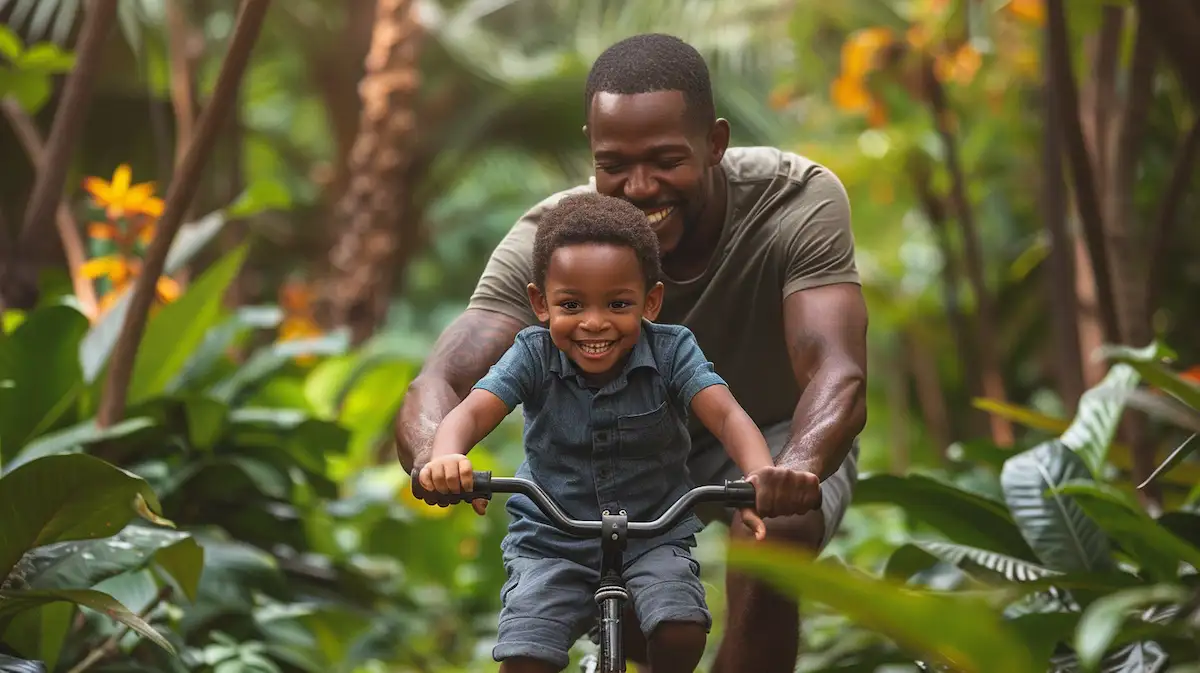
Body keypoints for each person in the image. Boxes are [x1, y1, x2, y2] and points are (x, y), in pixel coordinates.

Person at [396, 33, 868, 673]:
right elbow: (443, 379)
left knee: (777, 538)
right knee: (644, 624)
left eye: (667, 160)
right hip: (624, 448)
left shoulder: (794, 200)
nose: (639, 187)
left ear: (715, 144)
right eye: (614, 164)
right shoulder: (559, 245)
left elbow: (836, 372)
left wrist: (790, 471)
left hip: (771, 430)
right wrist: (435, 457)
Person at [417, 192, 821, 673]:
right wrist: (447, 455)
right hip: (551, 536)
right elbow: (471, 414)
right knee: (527, 654)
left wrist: (759, 477)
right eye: (571, 303)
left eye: (617, 303)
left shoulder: (673, 352)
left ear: (650, 301)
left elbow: (728, 417)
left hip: (653, 530)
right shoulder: (532, 353)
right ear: (539, 303)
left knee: (681, 627)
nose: (594, 322)